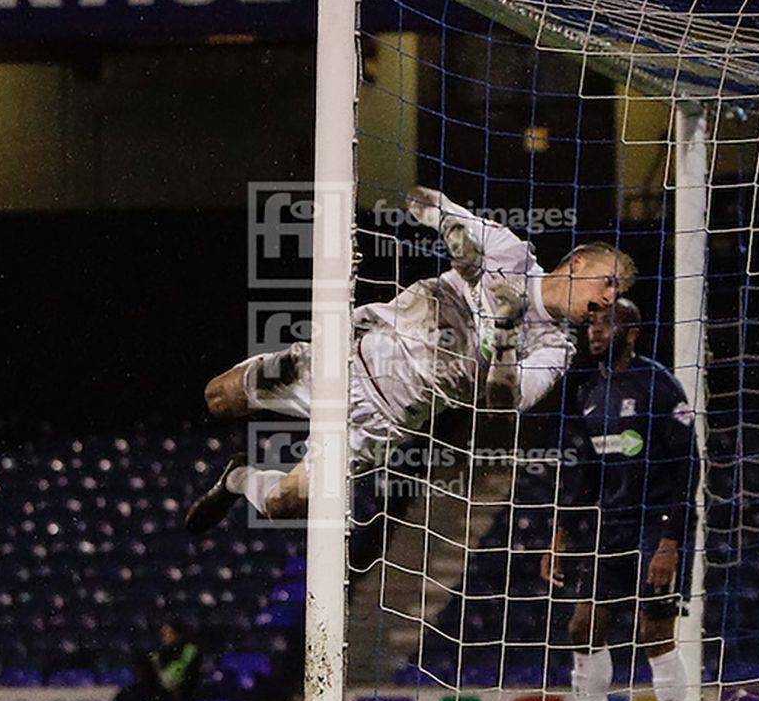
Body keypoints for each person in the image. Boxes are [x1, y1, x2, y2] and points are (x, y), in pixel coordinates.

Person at [187, 185, 634, 529]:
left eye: (620, 295)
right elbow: (422, 199)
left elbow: (505, 403)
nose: (610, 300)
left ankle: (237, 478)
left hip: (385, 418)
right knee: (218, 396)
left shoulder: (557, 346)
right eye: (609, 283)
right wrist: (448, 227)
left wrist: (501, 338)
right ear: (576, 264)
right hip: (353, 355)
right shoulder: (511, 252)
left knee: (282, 504)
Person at [537, 298, 699, 701]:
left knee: (654, 631)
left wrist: (669, 543)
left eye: (606, 324)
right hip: (612, 526)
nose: (595, 332)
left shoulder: (659, 386)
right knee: (583, 627)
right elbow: (584, 473)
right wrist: (560, 534)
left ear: (631, 332)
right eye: (591, 325)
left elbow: (687, 468)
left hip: (656, 524)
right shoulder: (589, 391)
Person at [97, 619, 204, 701]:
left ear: (176, 634)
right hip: (162, 695)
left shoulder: (189, 650)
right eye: (163, 635)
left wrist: (157, 671)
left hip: (184, 694)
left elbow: (172, 677)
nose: (164, 638)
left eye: (167, 634)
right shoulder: (161, 653)